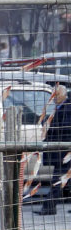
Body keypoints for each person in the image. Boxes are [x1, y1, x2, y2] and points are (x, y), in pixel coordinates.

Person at [40, 84, 71, 215]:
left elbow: (66, 127)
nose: (54, 98)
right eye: (53, 95)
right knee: (63, 177)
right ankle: (49, 206)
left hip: (65, 150)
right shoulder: (58, 107)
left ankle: (49, 206)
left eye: (56, 95)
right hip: (60, 149)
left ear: (63, 94)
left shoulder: (68, 107)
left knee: (58, 178)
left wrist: (50, 125)